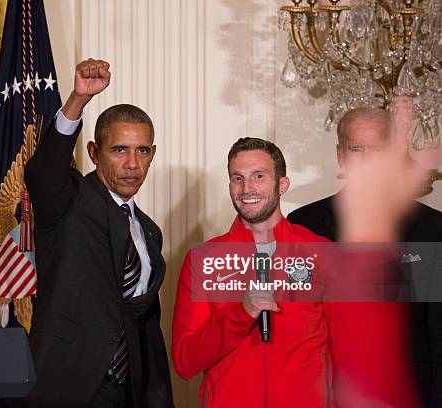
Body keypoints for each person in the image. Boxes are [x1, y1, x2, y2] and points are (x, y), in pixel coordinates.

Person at [24, 59, 174, 408]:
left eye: (142, 151)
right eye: (120, 150)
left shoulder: (149, 232)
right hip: (66, 387)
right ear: (94, 153)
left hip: (129, 390)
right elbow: (44, 171)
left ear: (153, 155)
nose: (132, 164)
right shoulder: (68, 202)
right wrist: (77, 100)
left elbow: (145, 325)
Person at [288, 107, 442, 407]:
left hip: (410, 393)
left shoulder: (433, 229)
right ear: (340, 155)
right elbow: (296, 324)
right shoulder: (304, 224)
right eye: (356, 149)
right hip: (326, 393)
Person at [171, 137, 334, 407]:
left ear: (282, 184)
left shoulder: (321, 252)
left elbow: (347, 353)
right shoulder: (202, 261)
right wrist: (242, 314)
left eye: (258, 176)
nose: (247, 188)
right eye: (237, 178)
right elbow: (184, 361)